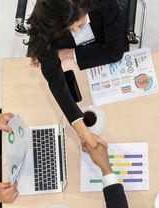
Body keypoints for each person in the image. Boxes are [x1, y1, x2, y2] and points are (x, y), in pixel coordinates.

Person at [25, 0, 128, 150]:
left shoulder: (105, 4)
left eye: (76, 20)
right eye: (68, 25)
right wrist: (83, 132)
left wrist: (69, 53)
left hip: (98, 52)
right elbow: (55, 79)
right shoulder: (48, 11)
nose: (75, 28)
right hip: (76, 65)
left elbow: (115, 51)